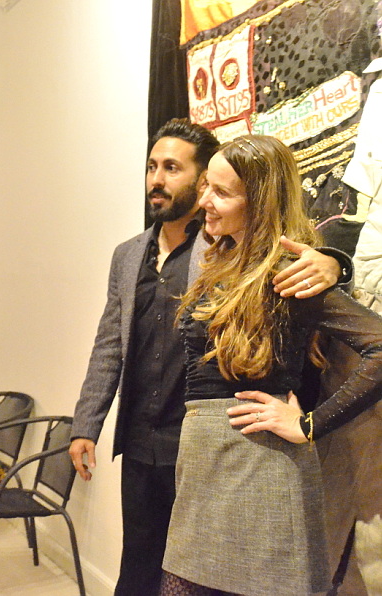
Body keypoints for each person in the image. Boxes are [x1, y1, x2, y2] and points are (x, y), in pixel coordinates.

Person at [68, 119, 348, 595]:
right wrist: (85, 424)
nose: (157, 179)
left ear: (202, 180)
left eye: (172, 168)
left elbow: (289, 263)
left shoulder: (224, 246)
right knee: (138, 568)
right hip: (140, 441)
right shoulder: (128, 255)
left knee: (208, 574)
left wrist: (336, 262)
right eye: (152, 166)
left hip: (211, 445)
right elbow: (109, 344)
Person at [159, 134, 382, 594]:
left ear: (259, 202)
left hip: (259, 466)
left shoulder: (285, 272)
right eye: (206, 186)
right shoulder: (225, 259)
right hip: (208, 464)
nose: (204, 201)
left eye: (221, 192)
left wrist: (309, 424)